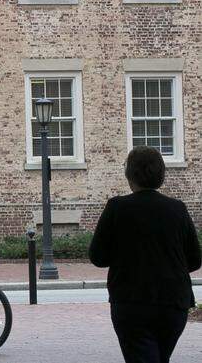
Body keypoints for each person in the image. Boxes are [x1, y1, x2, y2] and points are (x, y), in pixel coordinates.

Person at [89, 146, 201, 363]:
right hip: (173, 302)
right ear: (161, 174)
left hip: (131, 300)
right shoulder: (177, 209)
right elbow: (195, 259)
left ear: (129, 175)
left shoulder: (117, 208)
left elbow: (98, 257)